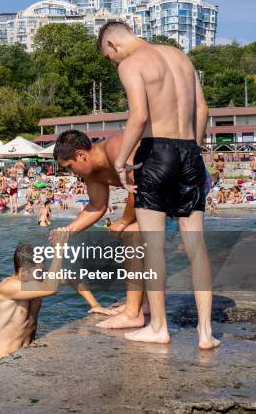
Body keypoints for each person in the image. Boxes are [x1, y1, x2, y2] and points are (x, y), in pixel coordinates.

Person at [99, 21, 218, 349]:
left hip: (157, 153)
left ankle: (159, 328)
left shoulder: (131, 64)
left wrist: (121, 161)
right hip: (190, 151)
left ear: (112, 46)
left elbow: (138, 117)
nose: (114, 63)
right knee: (196, 246)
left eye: (110, 59)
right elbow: (203, 109)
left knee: (153, 245)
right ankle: (206, 333)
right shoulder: (180, 56)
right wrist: (191, 149)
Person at [53, 130, 144, 328]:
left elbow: (139, 186)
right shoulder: (91, 173)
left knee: (131, 234)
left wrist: (124, 220)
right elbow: (97, 206)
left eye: (69, 167)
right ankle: (140, 305)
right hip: (154, 194)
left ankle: (134, 313)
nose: (71, 173)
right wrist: (67, 231)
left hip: (179, 186)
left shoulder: (116, 148)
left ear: (80, 155)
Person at [0, 237, 67, 360]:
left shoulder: (37, 282)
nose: (41, 274)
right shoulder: (7, 287)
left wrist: (95, 305)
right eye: (38, 272)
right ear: (23, 271)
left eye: (42, 270)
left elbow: (73, 278)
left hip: (28, 354)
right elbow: (51, 289)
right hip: (4, 358)